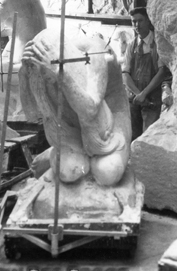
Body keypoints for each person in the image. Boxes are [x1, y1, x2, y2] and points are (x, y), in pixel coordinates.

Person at [20, 29, 131, 186]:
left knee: (108, 173)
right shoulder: (44, 73)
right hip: (75, 128)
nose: (44, 76)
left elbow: (91, 110)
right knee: (69, 172)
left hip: (110, 125)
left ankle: (58, 155)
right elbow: (32, 115)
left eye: (44, 71)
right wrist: (24, 74)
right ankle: (64, 152)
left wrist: (61, 74)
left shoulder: (95, 49)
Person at [122, 7, 167, 140]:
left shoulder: (158, 43)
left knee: (148, 138)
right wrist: (138, 94)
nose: (137, 25)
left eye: (140, 21)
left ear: (148, 21)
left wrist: (144, 94)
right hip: (134, 100)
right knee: (133, 136)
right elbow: (125, 73)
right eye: (133, 22)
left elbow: (162, 72)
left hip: (151, 100)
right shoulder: (131, 45)